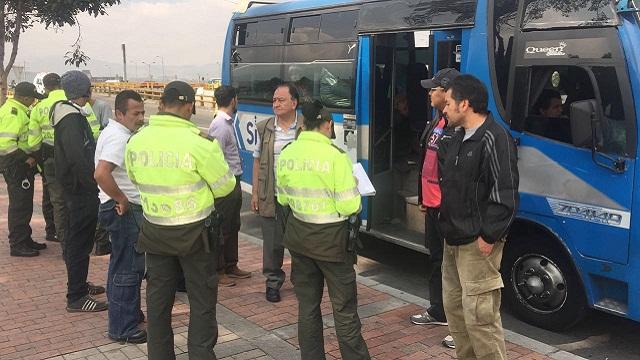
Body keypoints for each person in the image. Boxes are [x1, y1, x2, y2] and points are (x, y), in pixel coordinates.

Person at [126, 81, 236, 359]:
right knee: (201, 302)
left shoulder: (137, 140)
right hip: (195, 237)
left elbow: (135, 179)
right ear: (189, 107)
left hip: (155, 234)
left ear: (161, 105)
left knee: (159, 302)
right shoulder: (200, 143)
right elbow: (225, 186)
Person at [277, 100, 370, 359]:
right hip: (332, 245)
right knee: (344, 310)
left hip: (299, 240)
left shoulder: (287, 153)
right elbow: (350, 205)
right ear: (328, 125)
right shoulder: (335, 157)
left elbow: (283, 199)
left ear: (303, 125)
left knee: (307, 307)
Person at [439, 75, 519, 360]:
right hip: (453, 239)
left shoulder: (495, 139)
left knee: (481, 319)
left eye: (448, 103)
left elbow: (505, 193)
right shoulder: (457, 137)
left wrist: (488, 236)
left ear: (465, 103)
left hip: (477, 244)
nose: (443, 109)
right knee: (456, 313)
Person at [411, 68, 461, 350]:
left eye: (434, 89)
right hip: (431, 206)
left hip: (448, 210)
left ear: (448, 93)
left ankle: (460, 326)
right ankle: (438, 311)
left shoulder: (459, 127)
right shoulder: (437, 123)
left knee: (455, 270)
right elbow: (425, 163)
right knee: (436, 261)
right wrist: (422, 197)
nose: (429, 93)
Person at [52, 70, 107, 312]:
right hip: (80, 189)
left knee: (80, 239)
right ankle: (76, 296)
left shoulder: (69, 114)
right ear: (85, 91)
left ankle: (80, 285)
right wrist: (93, 183)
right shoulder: (71, 119)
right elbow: (78, 156)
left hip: (76, 187)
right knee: (79, 240)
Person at [94, 90, 147, 344]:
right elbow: (101, 173)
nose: (141, 118)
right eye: (136, 113)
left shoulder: (116, 132)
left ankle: (128, 314)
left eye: (143, 112)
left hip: (117, 208)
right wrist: (122, 198)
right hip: (122, 210)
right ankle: (123, 327)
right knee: (127, 267)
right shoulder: (119, 138)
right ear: (119, 113)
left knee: (124, 264)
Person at [252, 83, 303, 303]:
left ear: (294, 103)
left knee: (300, 243)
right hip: (271, 194)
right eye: (274, 100)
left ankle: (301, 283)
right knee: (272, 245)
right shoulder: (264, 128)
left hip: (299, 197)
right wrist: (255, 193)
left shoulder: (306, 127)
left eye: (281, 100)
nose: (276, 104)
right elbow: (257, 160)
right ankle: (273, 283)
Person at [208, 85, 251, 287]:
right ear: (233, 100)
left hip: (234, 180)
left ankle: (231, 264)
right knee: (222, 227)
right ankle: (219, 269)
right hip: (226, 183)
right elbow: (215, 158)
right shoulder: (220, 125)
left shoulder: (227, 123)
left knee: (233, 225)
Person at [0, 82, 45, 257]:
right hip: (16, 166)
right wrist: (25, 158)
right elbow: (4, 144)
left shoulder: (17, 110)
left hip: (21, 166)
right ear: (25, 97)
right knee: (19, 205)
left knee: (25, 204)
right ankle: (18, 244)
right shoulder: (13, 113)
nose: (34, 101)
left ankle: (25, 238)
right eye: (33, 98)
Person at [29, 73, 67, 245]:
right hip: (72, 158)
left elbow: (33, 143)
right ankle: (76, 235)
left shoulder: (38, 107)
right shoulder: (72, 102)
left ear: (44, 87)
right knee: (74, 197)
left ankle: (55, 233)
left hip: (49, 159)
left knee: (54, 199)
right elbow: (93, 132)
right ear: (61, 84)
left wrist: (40, 161)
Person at [86, 94, 114, 256]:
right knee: (101, 200)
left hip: (94, 156)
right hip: (97, 159)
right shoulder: (79, 109)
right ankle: (101, 241)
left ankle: (100, 241)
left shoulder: (101, 106)